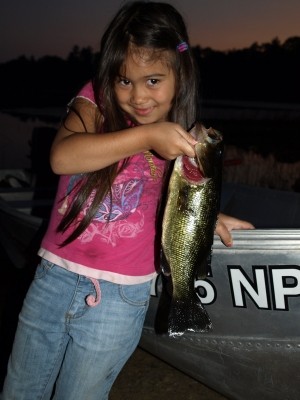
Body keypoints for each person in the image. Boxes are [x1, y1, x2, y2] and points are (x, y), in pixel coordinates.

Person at [2, 2, 254, 399]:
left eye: (153, 80)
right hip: (54, 279)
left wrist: (205, 215)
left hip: (121, 297)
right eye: (124, 81)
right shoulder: (95, 104)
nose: (137, 96)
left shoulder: (183, 137)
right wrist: (145, 137)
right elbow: (61, 157)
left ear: (180, 73)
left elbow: (165, 202)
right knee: (20, 391)